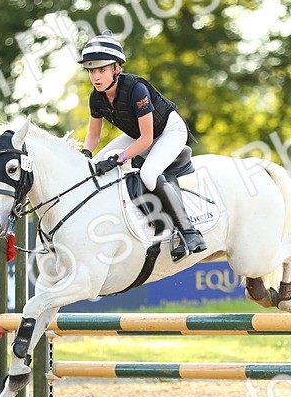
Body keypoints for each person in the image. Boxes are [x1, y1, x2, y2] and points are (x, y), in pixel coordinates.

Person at [79, 34, 207, 259]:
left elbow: (147, 139)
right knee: (97, 163)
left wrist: (119, 158)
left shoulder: (136, 89)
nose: (95, 77)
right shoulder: (96, 97)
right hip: (140, 134)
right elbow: (93, 134)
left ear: (116, 69)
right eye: (91, 71)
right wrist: (85, 155)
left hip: (168, 131)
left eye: (101, 70)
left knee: (148, 173)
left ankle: (189, 232)